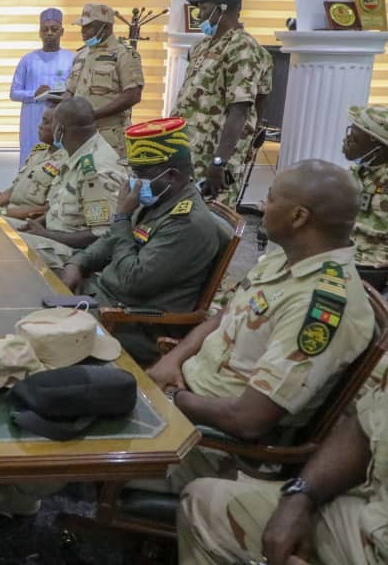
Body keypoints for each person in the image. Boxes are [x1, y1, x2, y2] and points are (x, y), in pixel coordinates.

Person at [145, 160, 375, 492]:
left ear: (299, 217)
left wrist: (169, 396)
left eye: (270, 198)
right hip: (184, 397)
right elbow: (225, 316)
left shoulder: (319, 307)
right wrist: (172, 360)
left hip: (210, 444)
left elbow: (248, 420)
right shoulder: (286, 257)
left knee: (71, 432)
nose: (261, 206)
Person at [178, 364, 388, 565]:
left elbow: (249, 419)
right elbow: (364, 425)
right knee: (205, 504)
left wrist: (175, 399)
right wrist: (299, 496)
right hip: (372, 515)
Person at [61, 117, 225, 364]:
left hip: (133, 325)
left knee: (44, 331)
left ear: (171, 175)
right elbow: (110, 240)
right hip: (103, 298)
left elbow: (132, 281)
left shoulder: (187, 222)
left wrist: (122, 217)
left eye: (140, 174)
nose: (133, 182)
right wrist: (78, 263)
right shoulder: (159, 200)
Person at [171, 0, 273, 209]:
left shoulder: (242, 48)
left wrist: (220, 162)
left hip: (214, 156)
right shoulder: (203, 46)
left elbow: (242, 108)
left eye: (204, 8)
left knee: (212, 219)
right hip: (188, 151)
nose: (199, 15)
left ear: (222, 8)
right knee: (182, 218)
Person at [16, 96, 126, 270]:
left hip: (74, 253)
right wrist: (38, 225)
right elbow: (60, 208)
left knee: (12, 247)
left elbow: (102, 234)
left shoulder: (95, 169)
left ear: (59, 129)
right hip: (55, 235)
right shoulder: (76, 152)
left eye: (52, 124)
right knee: (4, 230)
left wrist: (46, 234)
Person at [64, 3, 144, 158]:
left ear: (106, 28)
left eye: (89, 27)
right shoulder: (81, 55)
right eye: (82, 27)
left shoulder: (124, 54)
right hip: (81, 137)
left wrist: (94, 115)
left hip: (110, 137)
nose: (83, 32)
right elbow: (70, 91)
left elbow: (133, 95)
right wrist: (64, 113)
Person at [10, 8, 76, 164]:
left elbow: (78, 90)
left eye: (54, 29)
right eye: (45, 29)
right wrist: (34, 93)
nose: (50, 33)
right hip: (32, 120)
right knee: (30, 159)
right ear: (39, 32)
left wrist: (64, 96)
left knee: (60, 161)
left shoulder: (72, 58)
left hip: (61, 118)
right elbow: (14, 93)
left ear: (62, 31)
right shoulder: (28, 60)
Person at [0, 97, 67, 223]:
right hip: (8, 212)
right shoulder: (38, 151)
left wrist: (1, 213)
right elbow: (14, 188)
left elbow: (47, 209)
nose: (40, 126)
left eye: (46, 122)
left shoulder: (66, 161)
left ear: (59, 128)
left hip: (27, 220)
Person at [343, 104, 388, 289]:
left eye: (354, 139)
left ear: (377, 150)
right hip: (346, 247)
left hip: (372, 262)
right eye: (348, 134)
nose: (346, 141)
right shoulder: (358, 171)